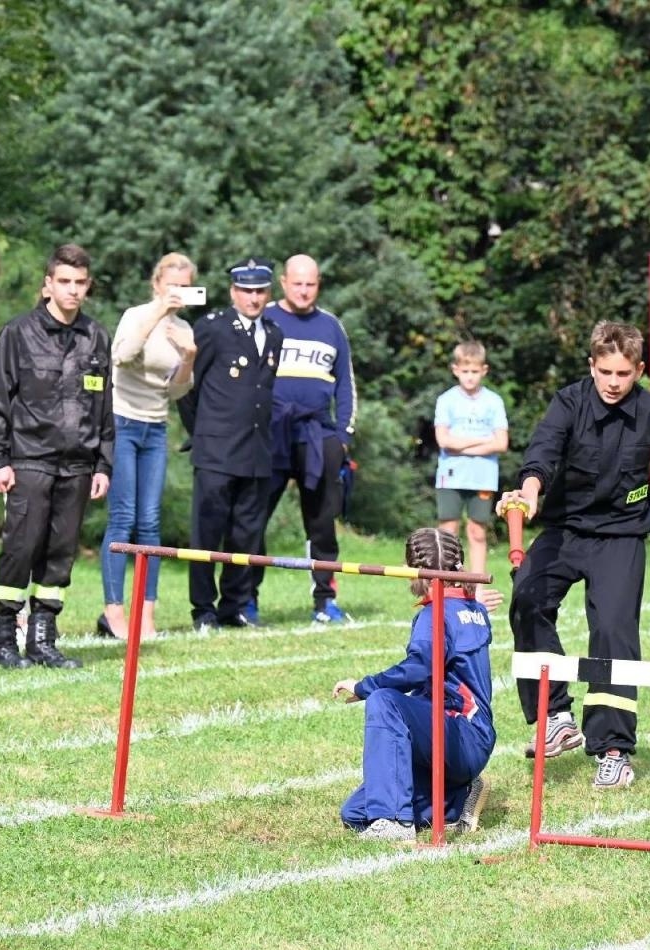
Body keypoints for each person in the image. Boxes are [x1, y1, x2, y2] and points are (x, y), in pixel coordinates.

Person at [503, 321, 650, 789]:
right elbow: (542, 451)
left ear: (639, 369)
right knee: (527, 597)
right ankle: (554, 714)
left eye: (624, 373)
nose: (614, 383)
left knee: (614, 631)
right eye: (605, 372)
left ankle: (613, 750)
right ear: (591, 367)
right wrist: (531, 490)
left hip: (620, 536)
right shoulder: (569, 402)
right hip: (564, 528)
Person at [0, 244, 113, 668]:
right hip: (30, 458)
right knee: (21, 547)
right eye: (64, 282)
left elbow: (104, 404)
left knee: (60, 554)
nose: (72, 291)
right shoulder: (18, 333)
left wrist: (103, 463)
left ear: (88, 287)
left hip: (78, 464)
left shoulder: (96, 336)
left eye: (80, 283)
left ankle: (43, 640)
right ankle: (2, 642)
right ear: (48, 284)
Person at [333, 528, 494, 840]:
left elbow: (418, 668)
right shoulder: (472, 607)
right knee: (354, 812)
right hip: (461, 738)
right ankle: (459, 797)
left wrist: (364, 686)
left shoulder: (435, 614)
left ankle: (393, 822)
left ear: (413, 570)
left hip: (460, 735)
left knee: (384, 700)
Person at [97, 253, 199, 641]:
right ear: (157, 285)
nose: (178, 292)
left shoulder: (185, 330)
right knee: (122, 518)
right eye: (172, 285)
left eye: (186, 286)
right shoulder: (135, 315)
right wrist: (157, 314)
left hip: (155, 428)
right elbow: (120, 357)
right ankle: (115, 612)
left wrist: (189, 357)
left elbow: (176, 390)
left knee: (150, 522)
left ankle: (147, 613)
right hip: (121, 420)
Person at [178, 257, 282, 632]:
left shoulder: (274, 333)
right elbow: (188, 389)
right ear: (233, 291)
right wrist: (203, 431)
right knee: (207, 533)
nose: (253, 298)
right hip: (217, 450)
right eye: (246, 290)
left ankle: (234, 606)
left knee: (246, 536)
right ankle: (203, 610)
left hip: (255, 452)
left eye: (260, 291)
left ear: (269, 293)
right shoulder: (212, 329)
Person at [256, 254, 357, 624]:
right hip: (270, 435)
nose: (303, 290)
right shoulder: (263, 317)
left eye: (310, 283)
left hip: (318, 435)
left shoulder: (331, 326)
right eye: (297, 283)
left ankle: (325, 600)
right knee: (253, 519)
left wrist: (343, 435)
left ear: (318, 284)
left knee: (321, 522)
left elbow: (346, 385)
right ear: (284, 282)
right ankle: (245, 600)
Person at [434, 340, 508, 580]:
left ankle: (476, 584)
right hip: (451, 474)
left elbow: (501, 443)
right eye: (465, 371)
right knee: (448, 531)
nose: (469, 377)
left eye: (474, 372)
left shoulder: (494, 401)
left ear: (484, 371)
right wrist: (480, 443)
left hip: (483, 475)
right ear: (455, 370)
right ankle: (444, 581)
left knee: (477, 532)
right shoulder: (446, 400)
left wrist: (462, 445)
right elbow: (444, 441)